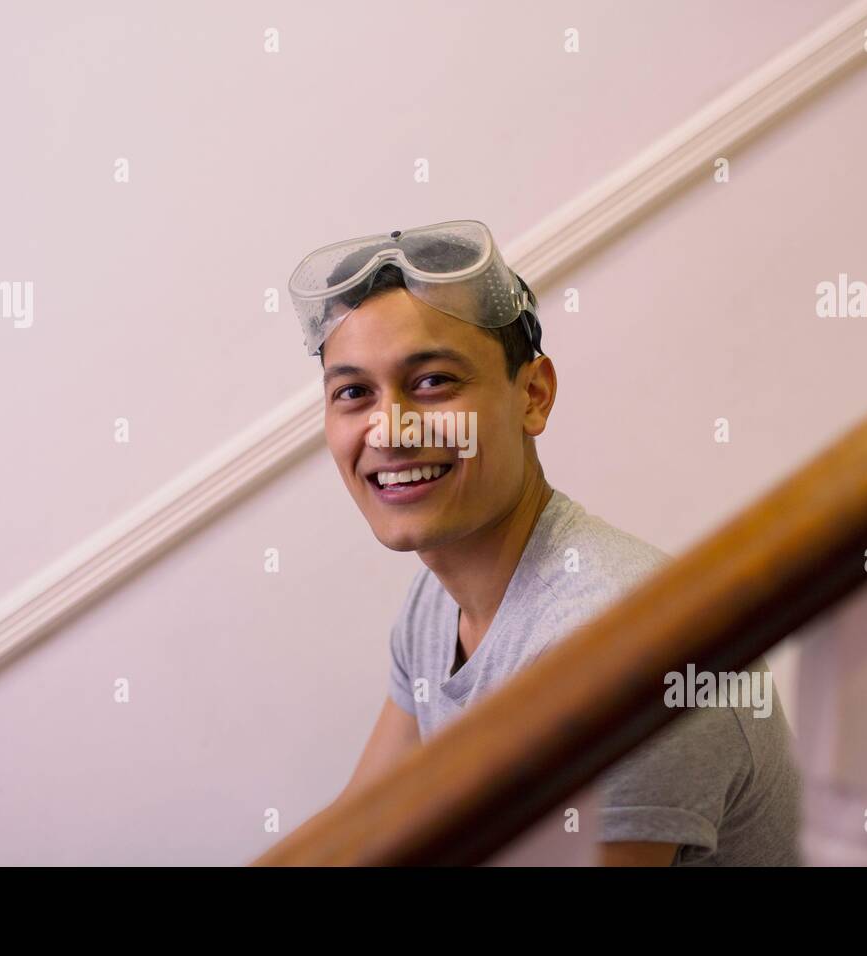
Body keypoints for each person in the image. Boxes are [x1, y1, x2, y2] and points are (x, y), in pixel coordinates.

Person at [288, 220, 802, 865]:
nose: (388, 430)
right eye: (354, 393)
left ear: (532, 395)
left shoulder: (621, 644)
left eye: (433, 382)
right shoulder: (434, 605)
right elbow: (358, 827)